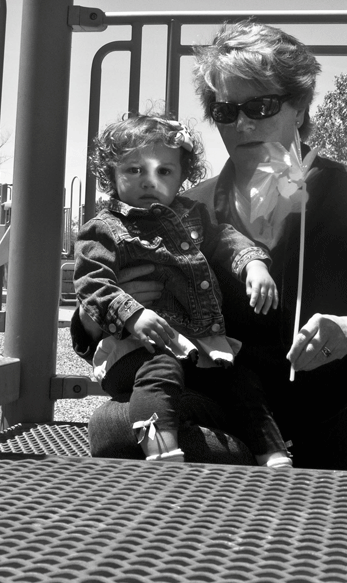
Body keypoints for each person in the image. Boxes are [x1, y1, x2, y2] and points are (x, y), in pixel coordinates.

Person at [72, 20, 347, 475]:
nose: (243, 124)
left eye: (261, 106)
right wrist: (95, 317)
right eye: (226, 111)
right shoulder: (185, 212)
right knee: (114, 424)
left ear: (299, 108)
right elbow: (100, 318)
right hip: (236, 421)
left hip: (344, 422)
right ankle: (261, 476)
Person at [75, 114, 292, 467]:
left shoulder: (193, 215)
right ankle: (161, 449)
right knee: (160, 370)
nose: (149, 180)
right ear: (111, 173)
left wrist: (253, 263)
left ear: (181, 176)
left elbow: (225, 240)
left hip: (196, 345)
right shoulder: (105, 229)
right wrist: (131, 314)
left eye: (164, 171)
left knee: (241, 380)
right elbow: (92, 282)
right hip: (136, 348)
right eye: (134, 170)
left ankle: (273, 453)